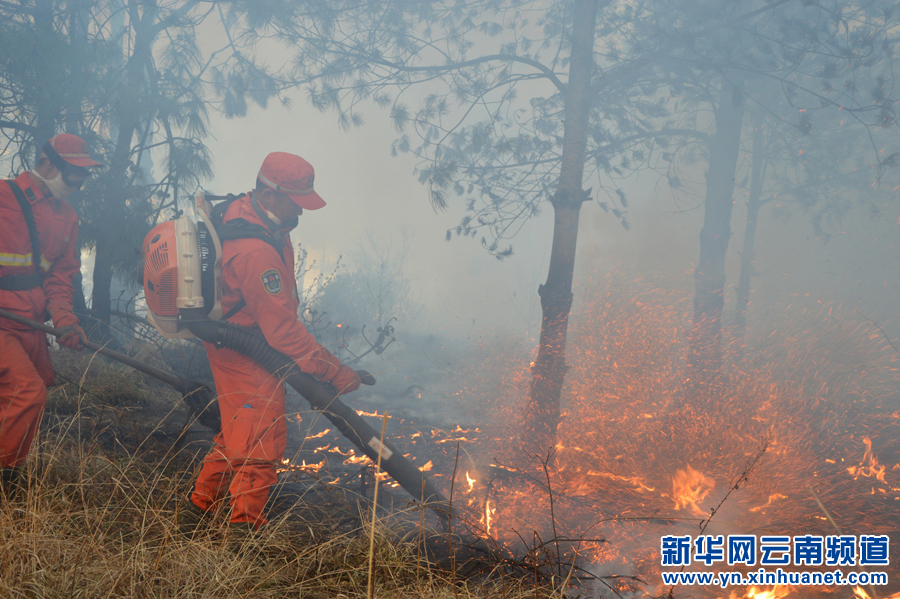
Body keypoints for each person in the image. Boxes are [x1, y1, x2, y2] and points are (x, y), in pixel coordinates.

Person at [179, 152, 363, 535]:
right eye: (296, 201)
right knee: (261, 437)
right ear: (269, 195)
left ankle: (198, 508)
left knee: (239, 428)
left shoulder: (255, 217)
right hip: (246, 347)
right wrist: (336, 372)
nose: (301, 211)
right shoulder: (256, 252)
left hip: (243, 341)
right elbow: (282, 332)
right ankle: (244, 532)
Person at [0, 133, 102, 492]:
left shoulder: (68, 218)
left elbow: (61, 278)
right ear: (48, 164)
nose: (81, 182)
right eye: (75, 174)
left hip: (30, 325)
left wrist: (66, 322)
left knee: (30, 393)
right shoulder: (4, 196)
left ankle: (11, 474)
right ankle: (6, 480)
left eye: (85, 175)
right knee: (27, 394)